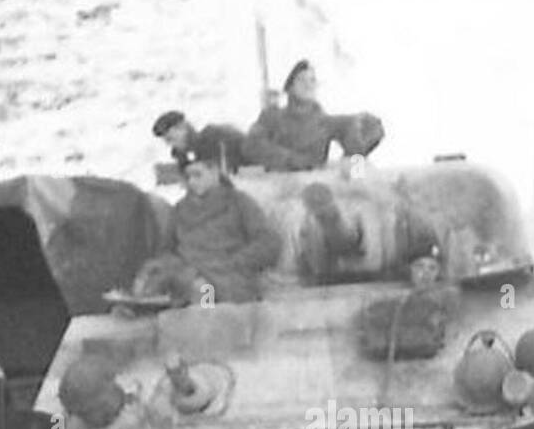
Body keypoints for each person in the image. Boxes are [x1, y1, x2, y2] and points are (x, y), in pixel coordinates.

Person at [133, 144, 281, 305]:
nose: (192, 182)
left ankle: (204, 312)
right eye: (188, 177)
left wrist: (234, 262)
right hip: (187, 277)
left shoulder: (239, 202)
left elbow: (268, 242)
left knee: (203, 297)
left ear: (215, 172)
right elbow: (168, 250)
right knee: (153, 288)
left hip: (227, 281)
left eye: (197, 175)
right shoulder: (180, 209)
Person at [243, 59, 384, 171]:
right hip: (276, 188)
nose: (308, 85)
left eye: (312, 80)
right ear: (289, 87)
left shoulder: (326, 123)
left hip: (314, 190)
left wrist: (356, 173)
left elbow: (366, 132)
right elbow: (251, 145)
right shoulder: (272, 117)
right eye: (301, 80)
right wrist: (291, 160)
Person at [151, 110, 248, 175]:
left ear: (183, 127)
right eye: (167, 141)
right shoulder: (182, 156)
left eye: (171, 139)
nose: (170, 145)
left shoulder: (216, 136)